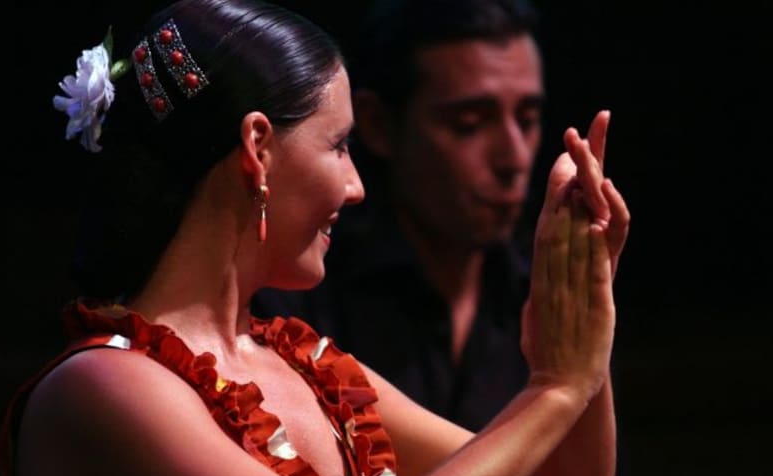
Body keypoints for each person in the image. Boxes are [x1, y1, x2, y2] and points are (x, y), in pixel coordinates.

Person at [0, 0, 628, 476]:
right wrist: (551, 388)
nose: (356, 187)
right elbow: (545, 408)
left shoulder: (313, 369)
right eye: (338, 146)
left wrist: (580, 328)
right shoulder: (104, 387)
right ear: (258, 149)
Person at [252, 0, 600, 433]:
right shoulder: (299, 285)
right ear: (378, 125)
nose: (513, 157)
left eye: (527, 119)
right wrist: (559, 389)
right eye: (469, 124)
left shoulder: (546, 289)